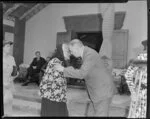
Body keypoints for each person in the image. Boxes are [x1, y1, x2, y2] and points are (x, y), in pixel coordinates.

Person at [54, 39, 116, 117]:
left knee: (100, 114)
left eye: (71, 50)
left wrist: (63, 69)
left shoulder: (89, 54)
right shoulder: (87, 53)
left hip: (102, 91)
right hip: (98, 91)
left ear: (77, 48)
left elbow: (81, 73)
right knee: (91, 114)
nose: (71, 53)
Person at [39, 44, 70, 117]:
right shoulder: (56, 61)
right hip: (52, 95)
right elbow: (54, 79)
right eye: (66, 50)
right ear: (61, 51)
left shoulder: (60, 61)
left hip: (57, 95)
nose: (68, 52)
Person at [3, 40, 18, 116]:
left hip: (9, 84)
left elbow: (15, 72)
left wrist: (11, 79)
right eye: (7, 46)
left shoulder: (12, 58)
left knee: (8, 102)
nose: (10, 48)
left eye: (10, 46)